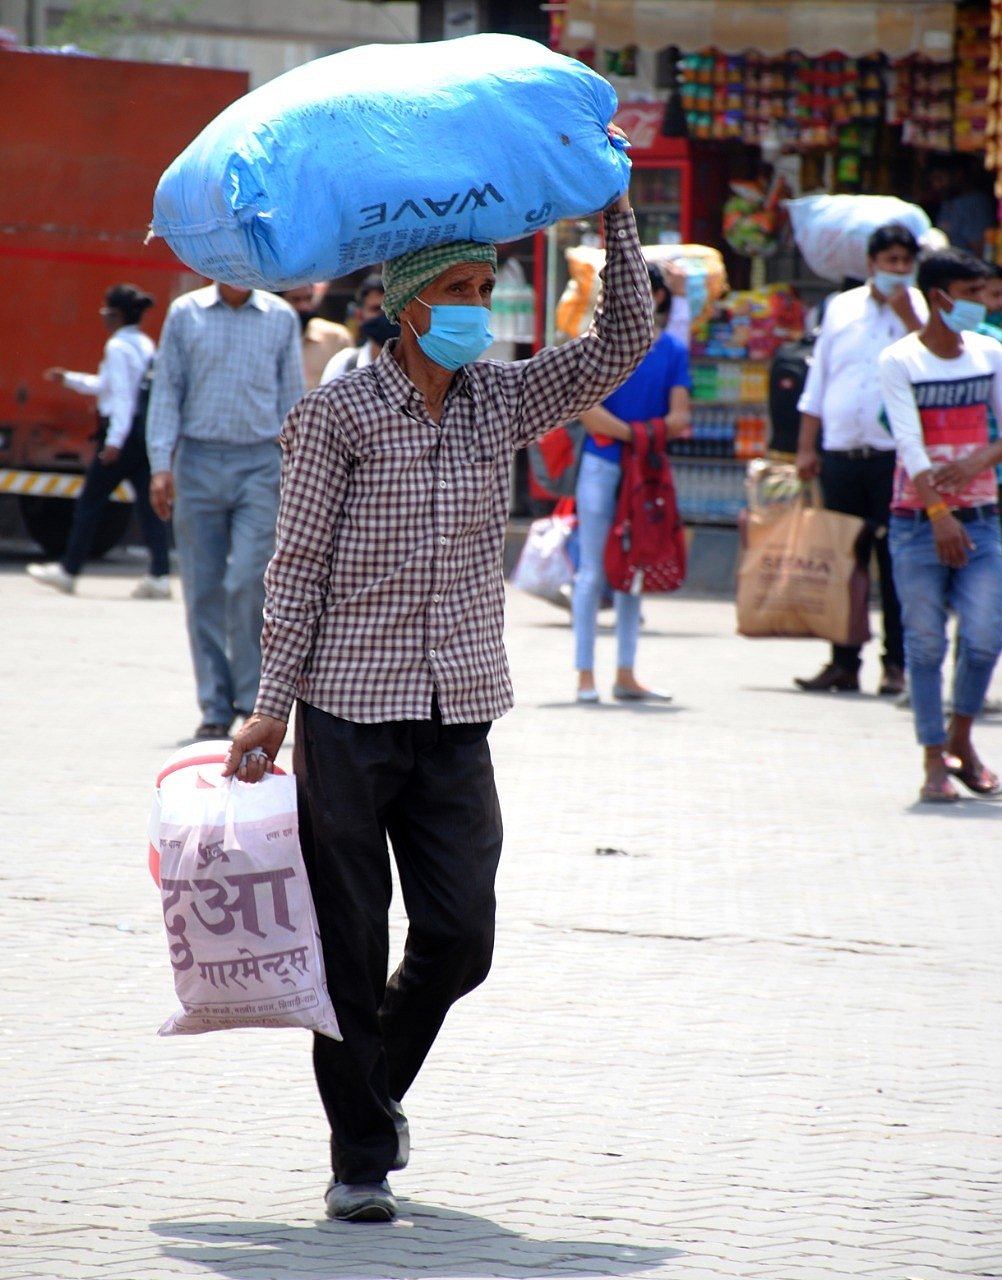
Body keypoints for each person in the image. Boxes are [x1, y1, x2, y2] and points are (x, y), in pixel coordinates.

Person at [223, 155, 651, 1225]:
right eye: (460, 294)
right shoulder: (339, 416)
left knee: (460, 937)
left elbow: (620, 345)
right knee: (352, 944)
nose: (481, 310)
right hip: (346, 710)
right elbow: (298, 563)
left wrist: (617, 219)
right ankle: (359, 1155)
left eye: (485, 292)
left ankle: (375, 1093)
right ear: (404, 306)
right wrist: (269, 704)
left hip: (459, 707)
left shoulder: (498, 399)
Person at [146, 280, 305, 742]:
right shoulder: (185, 314)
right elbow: (167, 393)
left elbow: (292, 399)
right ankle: (215, 707)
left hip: (259, 462)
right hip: (196, 461)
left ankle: (256, 700)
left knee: (248, 582)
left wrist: (297, 471)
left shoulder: (279, 317)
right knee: (202, 588)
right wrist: (161, 465)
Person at [879, 247, 1002, 803]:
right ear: (940, 298)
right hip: (916, 523)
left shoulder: (990, 353)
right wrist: (937, 513)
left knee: (982, 640)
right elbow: (908, 442)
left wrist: (977, 462)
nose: (981, 305)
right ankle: (934, 760)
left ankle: (960, 741)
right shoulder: (900, 360)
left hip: (982, 520)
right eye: (972, 295)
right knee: (925, 646)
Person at [793, 223, 927, 696]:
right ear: (871, 264)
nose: (896, 270)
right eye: (889, 261)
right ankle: (843, 661)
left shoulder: (922, 310)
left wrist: (909, 315)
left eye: (904, 262)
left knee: (896, 562)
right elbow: (820, 378)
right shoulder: (841, 307)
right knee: (842, 559)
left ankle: (896, 666)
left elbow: (934, 364)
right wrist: (807, 447)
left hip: (894, 456)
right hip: (842, 451)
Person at [572, 262, 691, 704]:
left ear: (655, 297)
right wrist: (642, 435)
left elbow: (682, 417)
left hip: (632, 466)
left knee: (634, 568)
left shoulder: (672, 350)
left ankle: (624, 672)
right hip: (616, 464)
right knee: (593, 572)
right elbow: (587, 410)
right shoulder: (599, 348)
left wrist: (627, 435)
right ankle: (586, 674)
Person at [27, 282, 170, 598]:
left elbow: (121, 396)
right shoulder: (144, 344)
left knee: (90, 503)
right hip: (141, 434)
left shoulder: (118, 347)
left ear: (116, 314)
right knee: (148, 508)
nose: (103, 317)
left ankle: (68, 570)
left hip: (121, 433)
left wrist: (114, 441)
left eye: (106, 311)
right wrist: (70, 379)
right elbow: (108, 385)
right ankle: (160, 574)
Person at [320, 274, 399, 383]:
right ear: (359, 316)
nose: (386, 316)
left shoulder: (421, 368)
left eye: (392, 309)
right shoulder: (344, 366)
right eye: (376, 309)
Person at [278, 283, 353, 390]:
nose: (304, 306)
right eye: (295, 300)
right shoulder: (268, 339)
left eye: (308, 298)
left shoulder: (336, 337)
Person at [928, 154, 997, 258]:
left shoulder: (974, 205)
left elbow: (980, 251)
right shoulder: (948, 202)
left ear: (957, 175)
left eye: (940, 179)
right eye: (933, 180)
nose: (936, 185)